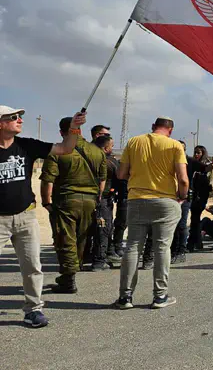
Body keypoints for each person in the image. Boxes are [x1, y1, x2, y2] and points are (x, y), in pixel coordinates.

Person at [0, 106, 86, 328]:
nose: (19, 120)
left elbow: (66, 148)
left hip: (26, 217)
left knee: (32, 267)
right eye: (13, 117)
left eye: (20, 117)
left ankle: (33, 310)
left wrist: (74, 128)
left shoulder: (26, 145)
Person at [113, 117, 188, 310]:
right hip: (165, 201)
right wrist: (181, 196)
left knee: (132, 247)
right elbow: (183, 179)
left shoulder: (134, 142)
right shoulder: (175, 146)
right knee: (162, 248)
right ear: (170, 130)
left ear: (153, 127)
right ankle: (159, 296)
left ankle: (125, 297)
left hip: (137, 199)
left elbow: (121, 174)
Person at [40, 116, 107, 293]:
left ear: (62, 132)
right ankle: (73, 269)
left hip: (66, 200)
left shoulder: (58, 150)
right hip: (90, 200)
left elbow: (48, 180)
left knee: (65, 238)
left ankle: (68, 278)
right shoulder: (97, 151)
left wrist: (46, 202)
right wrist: (97, 198)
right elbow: (102, 180)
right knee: (81, 238)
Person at [87, 134, 116, 271]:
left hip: (87, 199)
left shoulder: (85, 158)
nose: (113, 148)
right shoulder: (108, 162)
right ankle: (99, 260)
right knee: (102, 229)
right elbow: (121, 177)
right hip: (102, 200)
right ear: (105, 148)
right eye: (111, 146)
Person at [186, 145, 213, 252]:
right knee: (195, 220)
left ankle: (191, 243)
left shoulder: (205, 166)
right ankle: (197, 242)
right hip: (193, 195)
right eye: (195, 152)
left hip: (201, 196)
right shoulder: (193, 164)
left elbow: (206, 182)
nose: (196, 155)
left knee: (195, 220)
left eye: (199, 153)